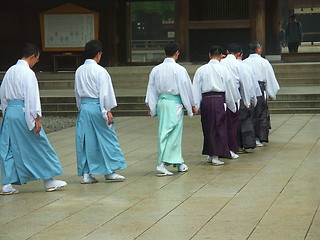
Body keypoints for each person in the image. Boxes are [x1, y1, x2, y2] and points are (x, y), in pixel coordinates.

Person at [0, 43, 67, 195]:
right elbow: (32, 98)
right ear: (32, 56)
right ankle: (48, 180)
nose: (36, 62)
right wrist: (36, 119)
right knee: (39, 145)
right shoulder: (28, 73)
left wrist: (6, 112)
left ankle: (7, 184)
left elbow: (3, 94)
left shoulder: (10, 70)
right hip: (24, 112)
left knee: (8, 147)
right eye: (36, 59)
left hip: (10, 112)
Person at [75, 40, 126, 184]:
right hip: (97, 106)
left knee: (86, 140)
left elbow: (77, 93)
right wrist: (107, 111)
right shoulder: (100, 71)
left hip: (84, 107)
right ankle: (110, 171)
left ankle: (86, 173)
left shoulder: (79, 70)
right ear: (98, 54)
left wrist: (80, 108)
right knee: (107, 138)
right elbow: (104, 93)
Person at [145, 41, 197, 176]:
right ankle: (162, 164)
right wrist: (191, 105)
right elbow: (186, 89)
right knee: (169, 133)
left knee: (169, 133)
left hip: (162, 102)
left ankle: (178, 162)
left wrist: (151, 105)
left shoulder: (156, 69)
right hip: (174, 103)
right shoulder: (179, 69)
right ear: (177, 53)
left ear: (164, 53)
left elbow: (151, 89)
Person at [193, 46, 238, 165]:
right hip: (218, 100)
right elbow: (230, 87)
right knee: (218, 127)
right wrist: (232, 105)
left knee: (208, 127)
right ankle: (214, 155)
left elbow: (196, 89)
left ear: (209, 55)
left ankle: (210, 153)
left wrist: (195, 105)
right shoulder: (223, 70)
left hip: (206, 101)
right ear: (221, 56)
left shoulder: (201, 70)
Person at [220, 43, 254, 159]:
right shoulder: (240, 65)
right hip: (234, 96)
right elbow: (245, 84)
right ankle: (231, 148)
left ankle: (220, 149)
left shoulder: (220, 62)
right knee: (232, 125)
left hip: (219, 97)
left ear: (227, 52)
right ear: (239, 54)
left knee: (220, 125)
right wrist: (247, 101)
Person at [243, 42, 280, 146]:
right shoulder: (264, 62)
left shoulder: (244, 62)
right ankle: (259, 137)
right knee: (260, 115)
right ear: (258, 50)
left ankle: (250, 139)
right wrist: (271, 93)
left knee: (250, 115)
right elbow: (270, 78)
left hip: (247, 90)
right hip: (260, 88)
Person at [236, 52, 262, 152]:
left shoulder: (224, 65)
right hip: (242, 96)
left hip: (229, 97)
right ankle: (244, 144)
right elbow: (249, 85)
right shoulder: (245, 67)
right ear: (240, 54)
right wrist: (251, 100)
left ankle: (234, 146)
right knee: (245, 121)